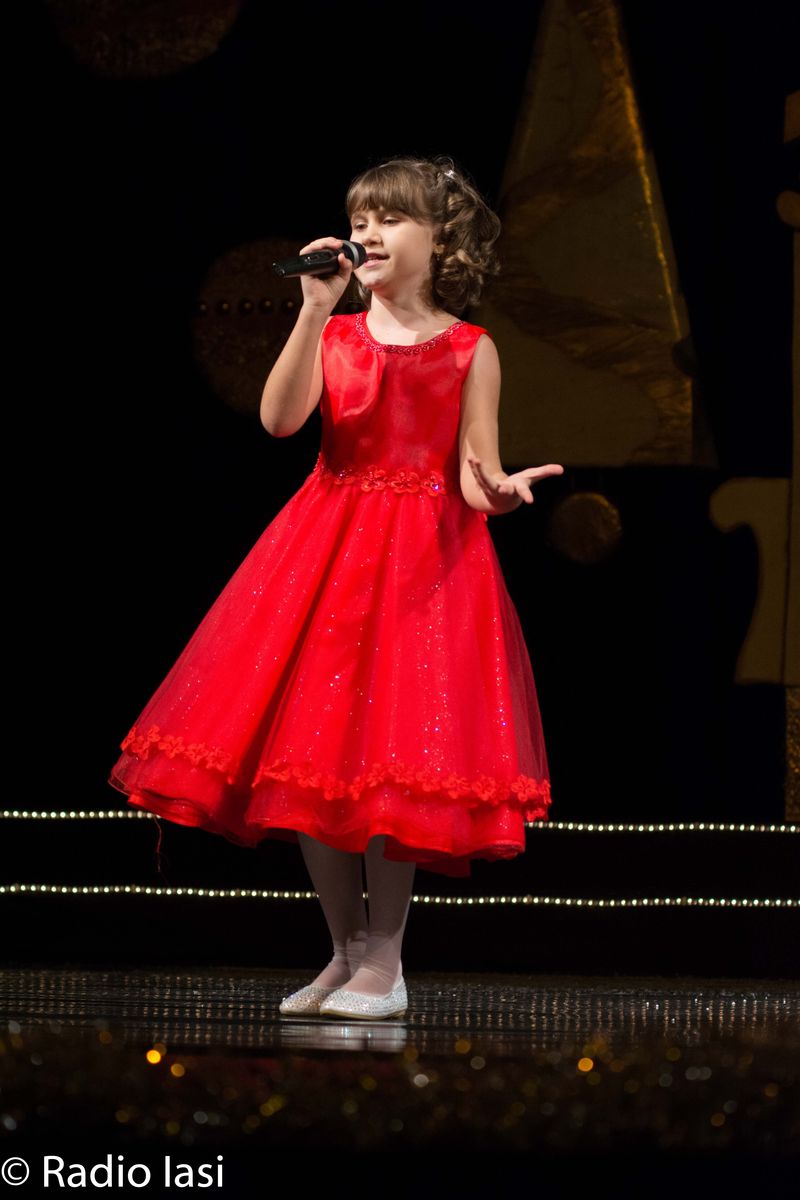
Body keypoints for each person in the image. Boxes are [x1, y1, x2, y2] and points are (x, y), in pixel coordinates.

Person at [108, 154, 564, 1021]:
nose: (368, 234)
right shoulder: (336, 334)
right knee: (313, 759)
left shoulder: (471, 348)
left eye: (390, 219)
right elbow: (279, 420)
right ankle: (344, 951)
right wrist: (315, 308)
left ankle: (386, 962)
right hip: (327, 555)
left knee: (394, 762)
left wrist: (500, 493)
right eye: (360, 220)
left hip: (426, 565)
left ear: (440, 239)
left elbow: (476, 471)